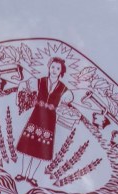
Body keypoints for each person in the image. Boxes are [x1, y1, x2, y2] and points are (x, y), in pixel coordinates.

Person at [15, 57, 74, 187]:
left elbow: (68, 99)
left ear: (61, 71)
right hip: (36, 116)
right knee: (28, 145)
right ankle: (23, 173)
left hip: (49, 119)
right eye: (52, 67)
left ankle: (31, 177)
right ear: (49, 67)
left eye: (58, 68)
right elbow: (25, 86)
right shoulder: (40, 81)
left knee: (41, 149)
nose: (54, 70)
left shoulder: (64, 89)